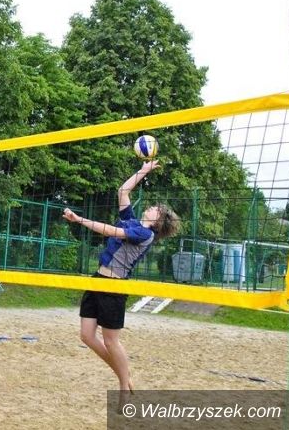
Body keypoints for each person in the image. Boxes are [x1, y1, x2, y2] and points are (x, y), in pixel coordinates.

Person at [62, 160, 180, 410]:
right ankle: (124, 376)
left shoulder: (145, 234)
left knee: (111, 341)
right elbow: (123, 191)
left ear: (157, 221)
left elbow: (109, 231)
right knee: (86, 336)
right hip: (98, 280)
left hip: (114, 287)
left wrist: (79, 219)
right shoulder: (132, 222)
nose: (151, 207)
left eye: (156, 209)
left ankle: (123, 385)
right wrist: (144, 170)